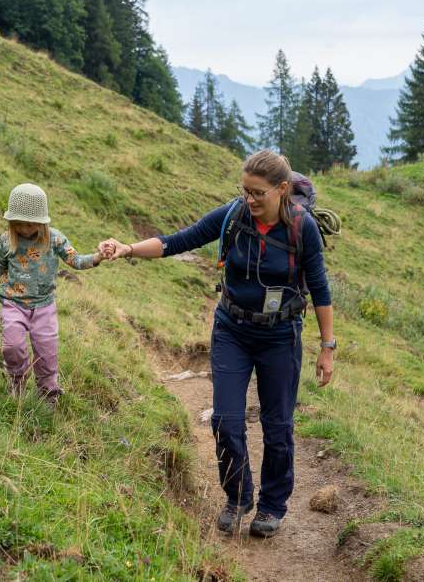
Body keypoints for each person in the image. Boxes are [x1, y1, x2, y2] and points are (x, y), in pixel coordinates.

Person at [98, 150, 335, 538]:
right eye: (245, 191)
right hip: (232, 330)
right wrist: (128, 249)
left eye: (258, 193)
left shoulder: (301, 228)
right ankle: (237, 495)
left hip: (280, 335)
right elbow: (179, 240)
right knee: (226, 420)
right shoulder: (233, 215)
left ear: (282, 189)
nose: (250, 200)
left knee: (278, 427)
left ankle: (273, 506)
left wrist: (328, 347)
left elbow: (321, 289)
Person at [0, 183, 105, 404]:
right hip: (13, 303)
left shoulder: (55, 238)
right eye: (18, 224)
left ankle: (48, 394)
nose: (25, 229)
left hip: (44, 306)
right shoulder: (6, 240)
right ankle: (17, 380)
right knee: (12, 347)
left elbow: (75, 260)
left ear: (41, 222)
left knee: (47, 354)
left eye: (30, 224)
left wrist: (98, 257)